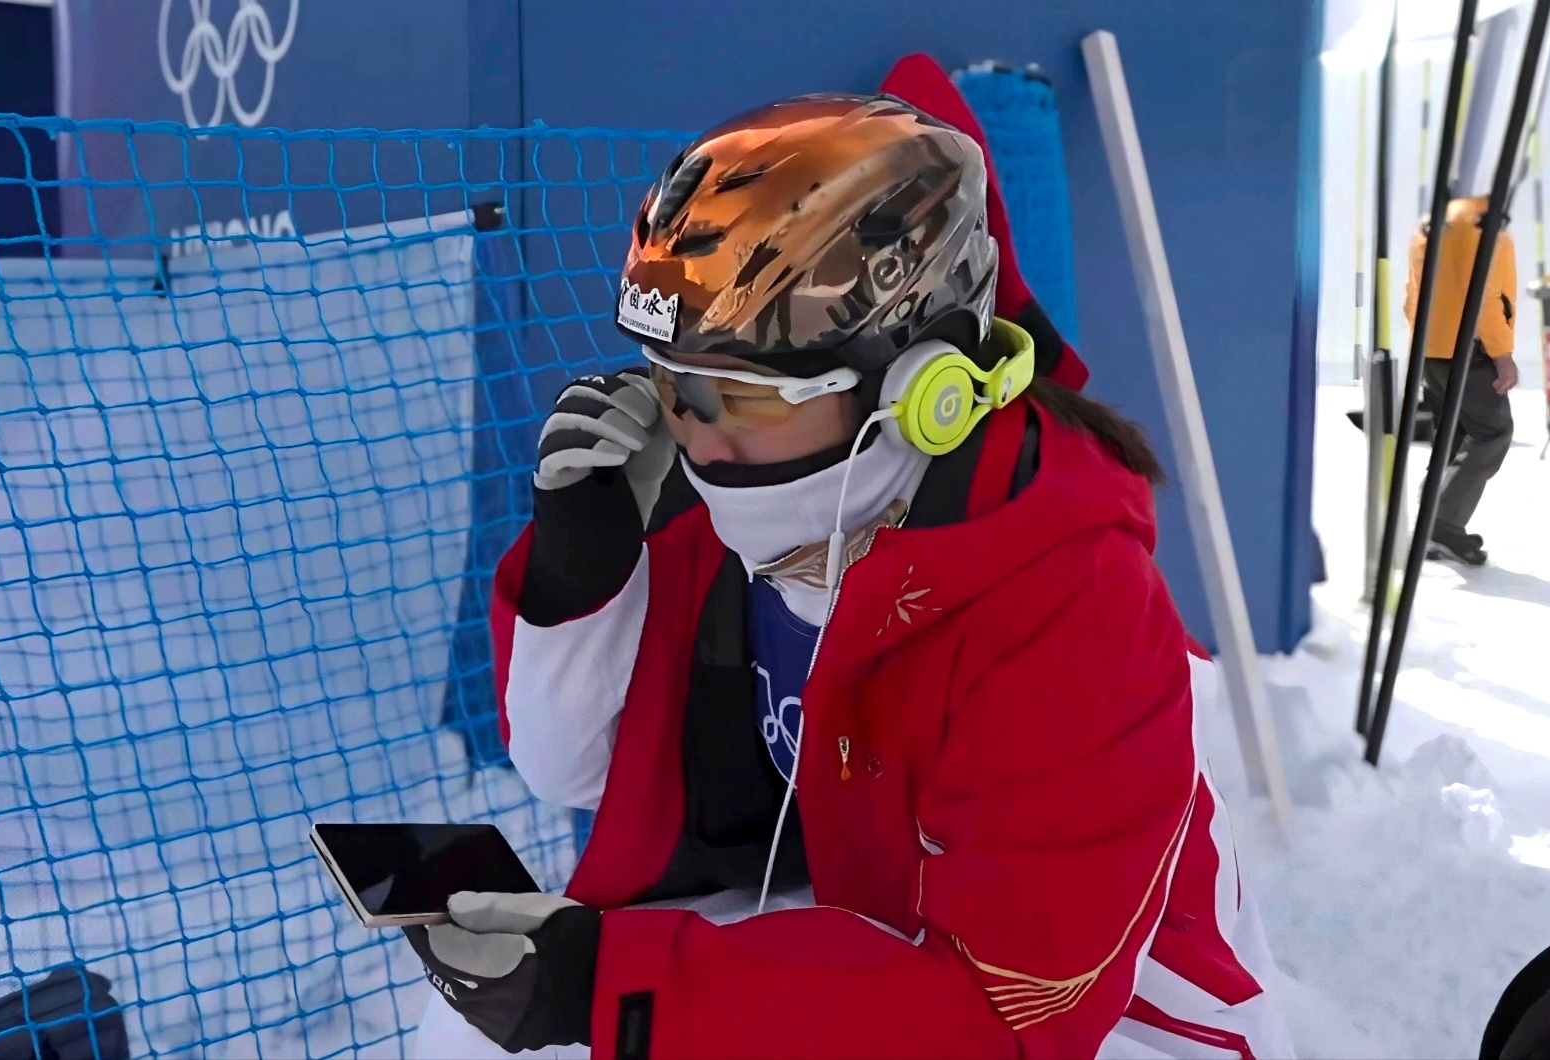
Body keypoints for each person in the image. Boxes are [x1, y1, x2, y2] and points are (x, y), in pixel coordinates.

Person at [408, 94, 1292, 1059]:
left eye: (743, 396)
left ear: (922, 389)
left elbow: (1013, 1014)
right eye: (673, 384)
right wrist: (585, 569)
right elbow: (576, 770)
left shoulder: (1071, 605)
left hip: (1120, 1026)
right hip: (873, 933)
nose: (697, 436)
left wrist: (605, 990)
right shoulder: (734, 502)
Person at [1404, 195, 1521, 566]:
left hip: (1430, 351)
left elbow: (1411, 297)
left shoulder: (1428, 229)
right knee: (1492, 432)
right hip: (1470, 352)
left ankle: (1430, 521)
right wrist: (1502, 354)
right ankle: (1442, 525)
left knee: (1454, 435)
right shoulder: (1490, 233)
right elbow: (1487, 298)